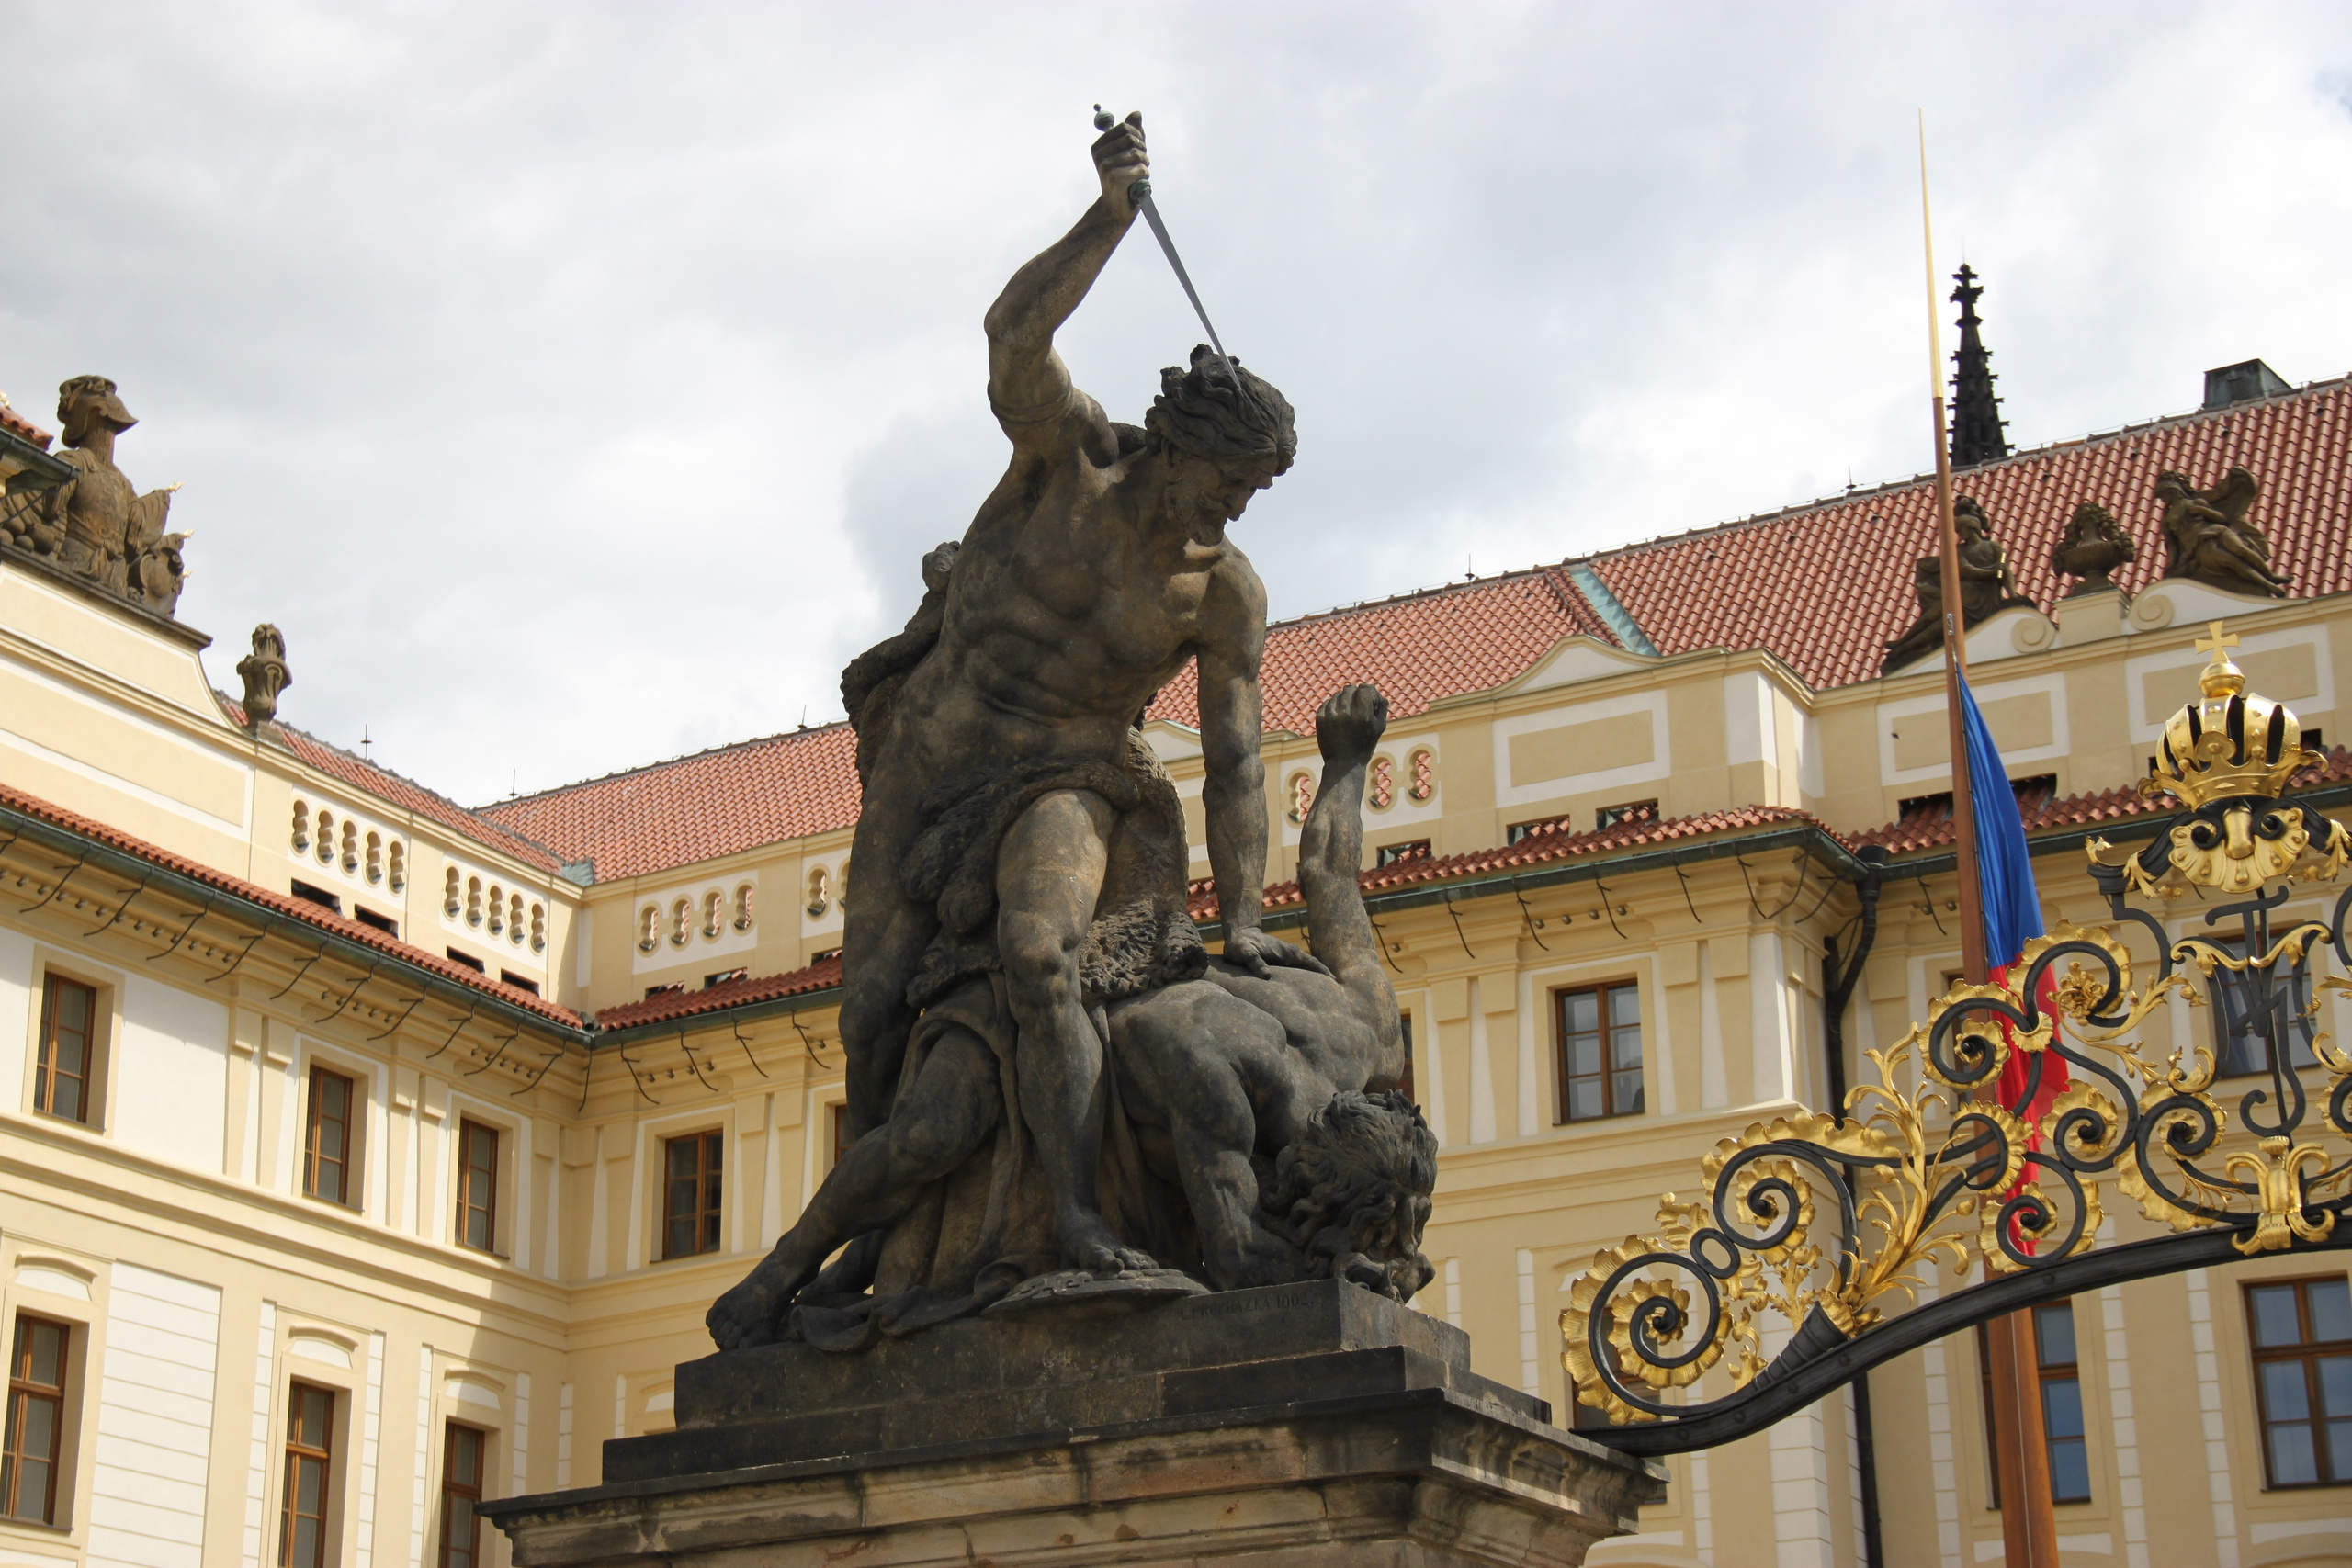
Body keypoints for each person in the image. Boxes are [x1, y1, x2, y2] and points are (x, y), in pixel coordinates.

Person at [831, 110, 1317, 1282]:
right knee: (870, 1016)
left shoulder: (1221, 592)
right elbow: (1011, 332)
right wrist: (1108, 215)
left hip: (1069, 773)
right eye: (1228, 480)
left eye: (1252, 493)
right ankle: (875, 1242)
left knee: (1043, 957)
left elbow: (1239, 759)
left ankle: (1073, 1220)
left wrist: (1245, 916)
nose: (1235, 510)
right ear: (1173, 440)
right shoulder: (1072, 457)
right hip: (932, 758)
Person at [707, 686, 1429, 1350]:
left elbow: (1330, 873)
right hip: (1035, 995)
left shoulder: (1365, 1028)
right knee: (930, 1131)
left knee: (928, 1134)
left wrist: (1347, 761)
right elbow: (1236, 1250)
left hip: (1119, 968)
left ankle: (836, 1257)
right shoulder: (1216, 1074)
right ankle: (775, 1275)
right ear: (1302, 1195)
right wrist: (1339, 1283)